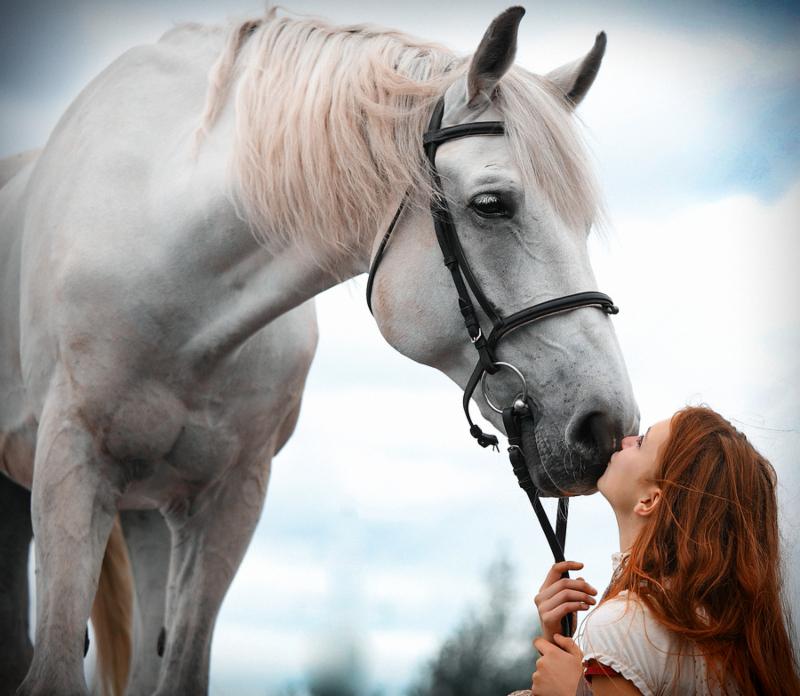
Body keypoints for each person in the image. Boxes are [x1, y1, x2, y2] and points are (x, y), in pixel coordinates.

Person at [528, 406, 800, 696]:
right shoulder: (739, 636)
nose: (625, 440)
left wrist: (573, 693)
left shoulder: (621, 627)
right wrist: (559, 641)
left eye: (642, 442)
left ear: (649, 500)